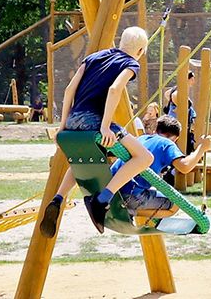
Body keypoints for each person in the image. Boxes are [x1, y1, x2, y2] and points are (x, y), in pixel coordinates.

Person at [39, 27, 154, 237]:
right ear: (139, 50)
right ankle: (103, 199)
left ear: (121, 42)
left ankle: (58, 198)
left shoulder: (94, 57)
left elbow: (69, 89)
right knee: (145, 157)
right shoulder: (130, 63)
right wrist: (104, 126)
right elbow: (114, 89)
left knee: (83, 160)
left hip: (73, 120)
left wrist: (63, 125)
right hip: (94, 122)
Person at [110, 115, 211, 219]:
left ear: (155, 130)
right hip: (129, 196)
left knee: (154, 189)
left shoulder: (141, 138)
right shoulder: (167, 143)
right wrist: (202, 148)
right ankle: (129, 212)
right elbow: (185, 167)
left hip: (110, 189)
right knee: (176, 205)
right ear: (175, 139)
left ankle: (127, 210)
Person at [166, 71, 197, 152]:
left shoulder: (179, 87)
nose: (194, 80)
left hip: (178, 120)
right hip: (177, 120)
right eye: (193, 78)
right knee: (176, 140)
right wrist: (179, 107)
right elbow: (173, 95)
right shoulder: (181, 88)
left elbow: (167, 93)